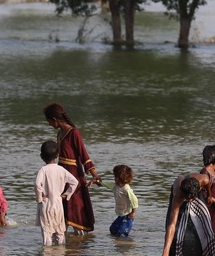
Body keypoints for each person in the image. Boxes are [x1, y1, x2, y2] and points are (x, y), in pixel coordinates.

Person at [43, 102, 101, 234]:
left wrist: (94, 175)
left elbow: (84, 155)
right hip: (62, 175)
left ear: (54, 119)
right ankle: (64, 239)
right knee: (63, 208)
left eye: (49, 122)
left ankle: (78, 240)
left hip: (74, 176)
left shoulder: (73, 133)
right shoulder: (60, 134)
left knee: (74, 208)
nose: (49, 125)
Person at [158, 174, 215, 256]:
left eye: (191, 198)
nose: (189, 201)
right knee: (176, 232)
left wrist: (209, 196)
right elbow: (172, 225)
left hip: (194, 191)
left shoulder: (204, 180)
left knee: (208, 229)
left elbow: (208, 184)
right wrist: (165, 253)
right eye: (188, 198)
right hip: (182, 193)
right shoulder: (178, 194)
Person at [34, 141, 79, 245]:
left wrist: (39, 198)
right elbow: (74, 182)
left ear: (41, 156)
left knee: (47, 233)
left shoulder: (43, 170)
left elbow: (37, 185)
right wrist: (66, 195)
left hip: (46, 204)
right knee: (60, 232)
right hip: (58, 204)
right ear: (57, 156)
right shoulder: (61, 169)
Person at [110, 164, 138, 238]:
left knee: (122, 234)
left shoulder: (126, 189)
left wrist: (133, 212)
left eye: (115, 177)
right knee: (113, 230)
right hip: (121, 214)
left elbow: (134, 200)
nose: (114, 178)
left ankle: (123, 246)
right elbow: (107, 184)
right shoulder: (116, 186)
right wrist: (98, 182)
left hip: (128, 215)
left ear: (120, 178)